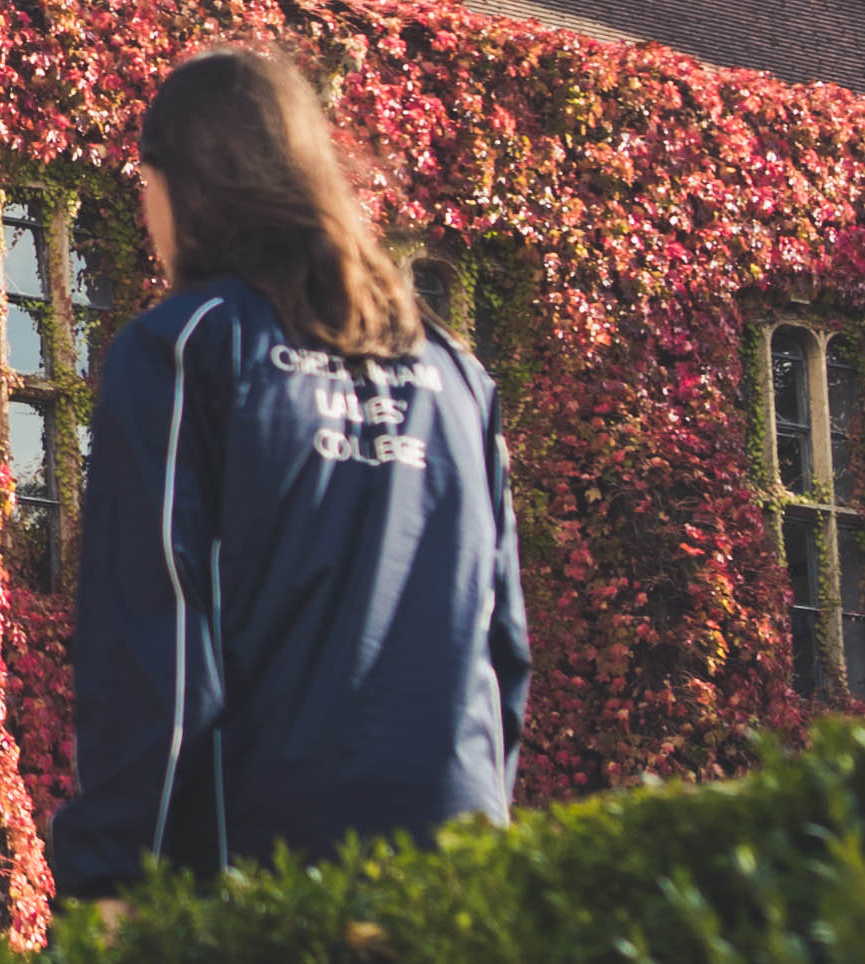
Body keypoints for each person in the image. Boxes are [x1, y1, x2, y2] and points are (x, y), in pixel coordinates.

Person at [52, 46, 530, 915]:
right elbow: (501, 651)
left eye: (144, 183)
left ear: (182, 184)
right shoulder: (458, 374)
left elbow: (152, 634)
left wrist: (114, 873)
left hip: (264, 885)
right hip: (461, 874)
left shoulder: (187, 348)